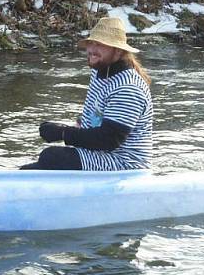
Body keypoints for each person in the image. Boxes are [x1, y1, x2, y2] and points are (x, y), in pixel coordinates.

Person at [21, 17, 153, 171]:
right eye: (91, 43)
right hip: (100, 154)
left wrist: (63, 133)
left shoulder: (128, 88)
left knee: (51, 157)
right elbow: (98, 112)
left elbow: (108, 140)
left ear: (118, 50)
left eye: (100, 45)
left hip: (126, 165)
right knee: (30, 169)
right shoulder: (100, 72)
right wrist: (80, 123)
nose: (92, 49)